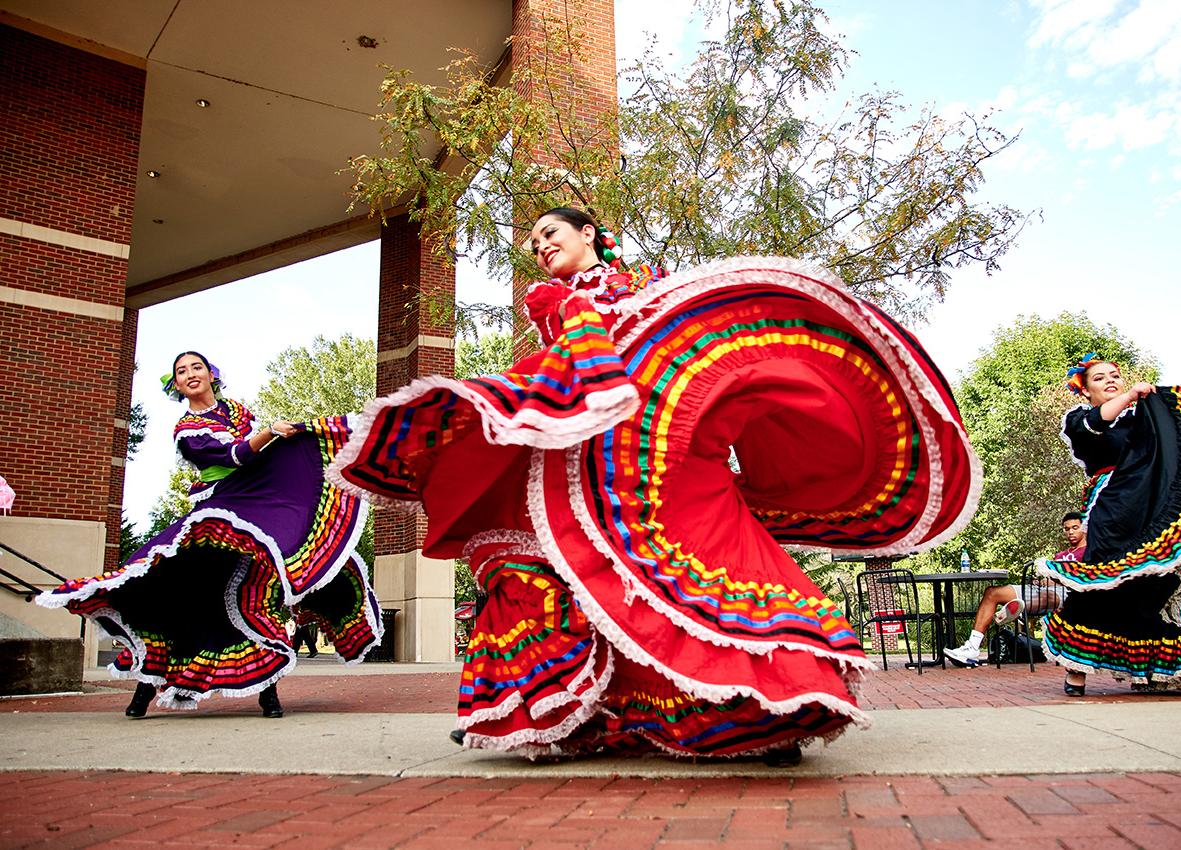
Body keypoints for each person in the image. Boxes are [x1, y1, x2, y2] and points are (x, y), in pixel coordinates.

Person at [330, 207, 981, 764]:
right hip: (578, 459)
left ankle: (761, 706)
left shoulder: (647, 289)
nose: (541, 245)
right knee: (538, 570)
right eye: (533, 242)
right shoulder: (552, 303)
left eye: (552, 232)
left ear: (591, 233)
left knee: (705, 567)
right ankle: (565, 714)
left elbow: (687, 345)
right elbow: (556, 375)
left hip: (663, 458)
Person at [39, 352, 382, 717]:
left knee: (259, 590)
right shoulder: (186, 430)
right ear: (176, 385)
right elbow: (234, 455)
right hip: (219, 512)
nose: (190, 374)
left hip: (256, 501)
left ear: (211, 374)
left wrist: (289, 435)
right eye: (181, 371)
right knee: (178, 592)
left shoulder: (235, 410)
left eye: (196, 367)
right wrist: (269, 433)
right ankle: (143, 692)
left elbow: (260, 455)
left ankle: (268, 696)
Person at [1037, 354, 1181, 697]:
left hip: (1165, 510)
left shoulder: (1148, 418)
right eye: (1100, 378)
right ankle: (1077, 670)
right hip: (1118, 514)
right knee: (1109, 585)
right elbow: (1097, 424)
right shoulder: (1081, 420)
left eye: (1115, 375)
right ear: (1086, 391)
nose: (1110, 380)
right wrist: (1131, 395)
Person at [942, 513, 1079, 667]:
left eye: (1075, 528)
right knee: (992, 592)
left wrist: (1057, 583)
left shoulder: (1090, 553)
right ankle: (972, 648)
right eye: (1067, 529)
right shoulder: (1060, 556)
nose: (1070, 532)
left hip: (1069, 595)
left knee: (1050, 596)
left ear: (1084, 529)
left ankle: (1014, 611)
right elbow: (1052, 577)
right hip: (1040, 590)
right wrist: (1042, 580)